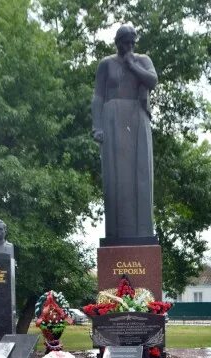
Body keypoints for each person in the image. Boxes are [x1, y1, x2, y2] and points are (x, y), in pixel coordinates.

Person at [91, 24, 158, 242]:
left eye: (132, 43)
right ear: (117, 42)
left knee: (140, 172)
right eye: (125, 43)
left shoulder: (143, 60)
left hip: (137, 118)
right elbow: (98, 96)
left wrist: (132, 65)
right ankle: (116, 232)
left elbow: (152, 81)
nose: (128, 46)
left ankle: (142, 232)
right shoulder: (106, 64)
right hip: (112, 120)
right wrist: (97, 126)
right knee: (115, 177)